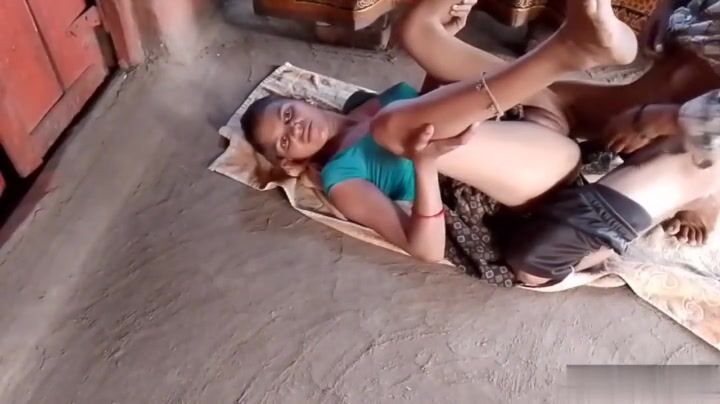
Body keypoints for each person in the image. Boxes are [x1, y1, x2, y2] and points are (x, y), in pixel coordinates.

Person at [240, 0, 720, 287]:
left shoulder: (369, 103)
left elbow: (441, 107)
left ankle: (583, 48)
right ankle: (569, 49)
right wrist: (424, 167)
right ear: (288, 161)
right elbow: (426, 249)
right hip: (522, 185)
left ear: (304, 100)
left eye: (288, 116)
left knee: (416, 33)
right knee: (395, 129)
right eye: (282, 142)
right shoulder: (341, 176)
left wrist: (443, 57)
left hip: (525, 122)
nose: (293, 130)